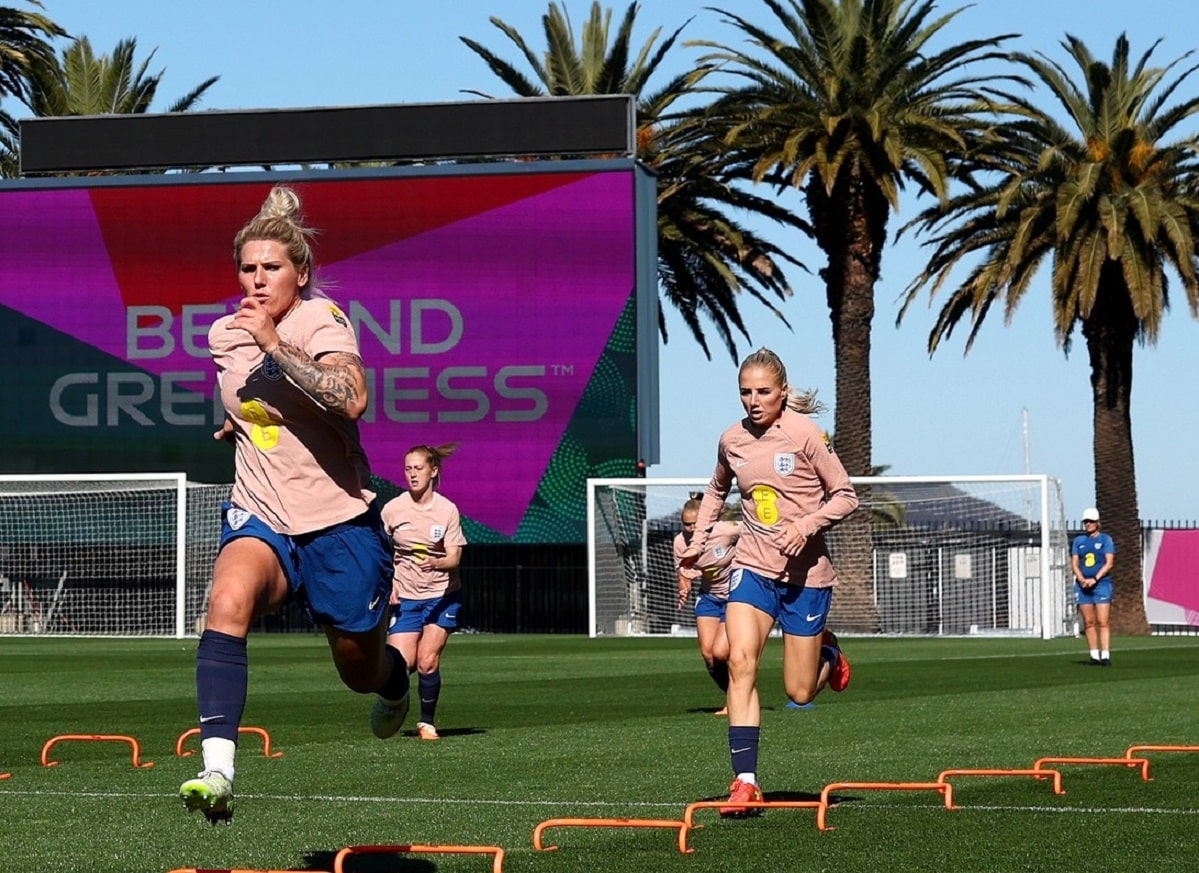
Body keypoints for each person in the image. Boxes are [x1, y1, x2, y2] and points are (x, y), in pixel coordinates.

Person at [180, 185, 412, 824]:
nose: (257, 280)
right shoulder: (224, 334)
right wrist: (241, 422)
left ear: (300, 274)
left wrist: (275, 344)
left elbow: (350, 397)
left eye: (272, 268)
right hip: (259, 510)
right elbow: (249, 400)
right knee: (226, 601)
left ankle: (395, 680)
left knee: (357, 668)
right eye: (247, 269)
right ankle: (218, 771)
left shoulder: (319, 320)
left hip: (337, 521)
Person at [679, 347, 859, 818]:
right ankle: (745, 782)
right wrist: (698, 542)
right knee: (739, 662)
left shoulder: (806, 435)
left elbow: (846, 496)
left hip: (806, 577)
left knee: (799, 693)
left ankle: (830, 653)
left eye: (763, 391)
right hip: (753, 568)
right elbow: (716, 491)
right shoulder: (732, 439)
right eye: (745, 392)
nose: (754, 400)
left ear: (782, 391)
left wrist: (807, 525)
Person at [380, 443, 468, 741]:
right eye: (408, 469)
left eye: (418, 468)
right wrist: (388, 582)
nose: (412, 474)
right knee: (400, 665)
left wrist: (439, 561)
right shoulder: (393, 509)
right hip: (406, 597)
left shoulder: (447, 510)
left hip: (442, 596)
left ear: (433, 471)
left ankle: (426, 722)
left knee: (427, 661)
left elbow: (455, 557)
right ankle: (395, 704)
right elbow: (378, 551)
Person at [673, 497, 739, 716]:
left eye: (695, 524)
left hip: (735, 596)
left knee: (721, 652)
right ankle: (735, 697)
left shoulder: (725, 531)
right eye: (686, 524)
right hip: (709, 597)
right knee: (708, 654)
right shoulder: (680, 542)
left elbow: (755, 534)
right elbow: (683, 571)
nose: (691, 529)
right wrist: (683, 586)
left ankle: (740, 697)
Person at [1071, 506, 1116, 666]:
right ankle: (1094, 655)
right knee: (1089, 621)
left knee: (1102, 621)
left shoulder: (1105, 540)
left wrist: (1095, 579)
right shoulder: (1078, 541)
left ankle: (1105, 654)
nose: (1088, 524)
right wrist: (1082, 579)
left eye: (1091, 521)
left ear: (1097, 522)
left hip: (1101, 584)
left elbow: (1109, 563)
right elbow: (1075, 563)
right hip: (1083, 585)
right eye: (1086, 522)